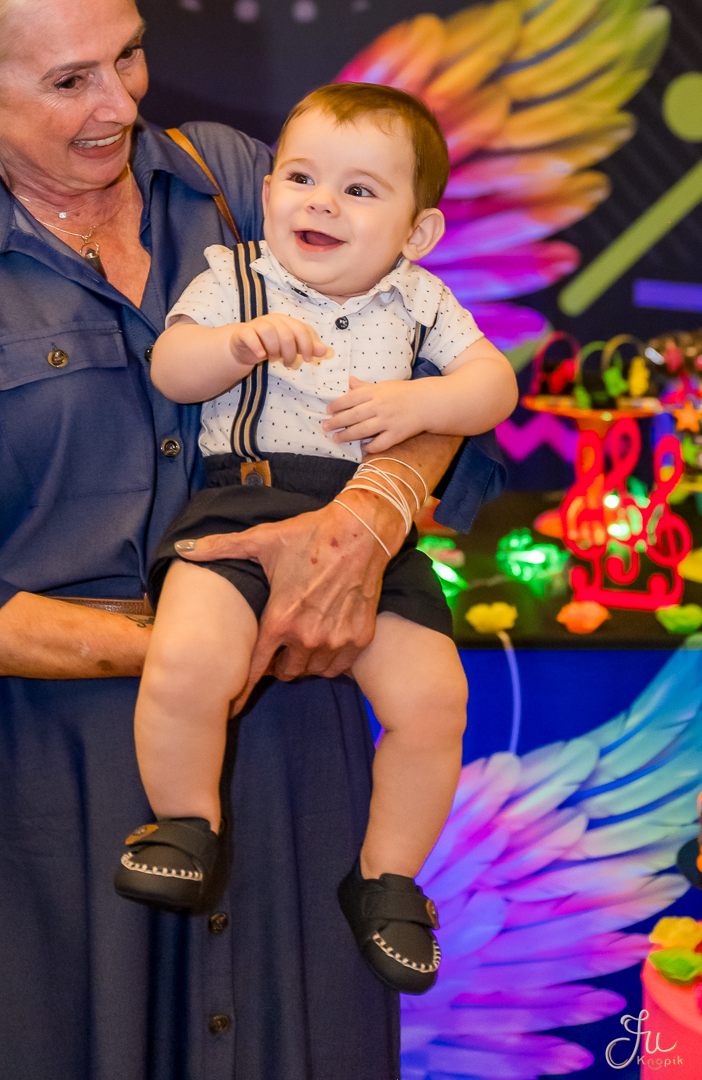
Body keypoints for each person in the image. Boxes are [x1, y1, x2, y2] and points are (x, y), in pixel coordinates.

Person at [0, 0, 505, 1080]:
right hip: (72, 790)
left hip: (303, 767)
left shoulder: (241, 178)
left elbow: (424, 376)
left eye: (128, 55)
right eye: (68, 80)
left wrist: (367, 519)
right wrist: (200, 643)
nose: (121, 103)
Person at [115, 84, 517, 995]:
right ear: (268, 195)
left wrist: (423, 400)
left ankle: (387, 878)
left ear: (418, 232)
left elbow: (493, 387)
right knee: (189, 658)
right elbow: (172, 368)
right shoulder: (236, 278)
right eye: (301, 178)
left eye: (360, 190)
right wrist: (238, 345)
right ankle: (183, 823)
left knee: (434, 701)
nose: (322, 203)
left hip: (368, 531)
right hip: (239, 504)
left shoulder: (421, 301)